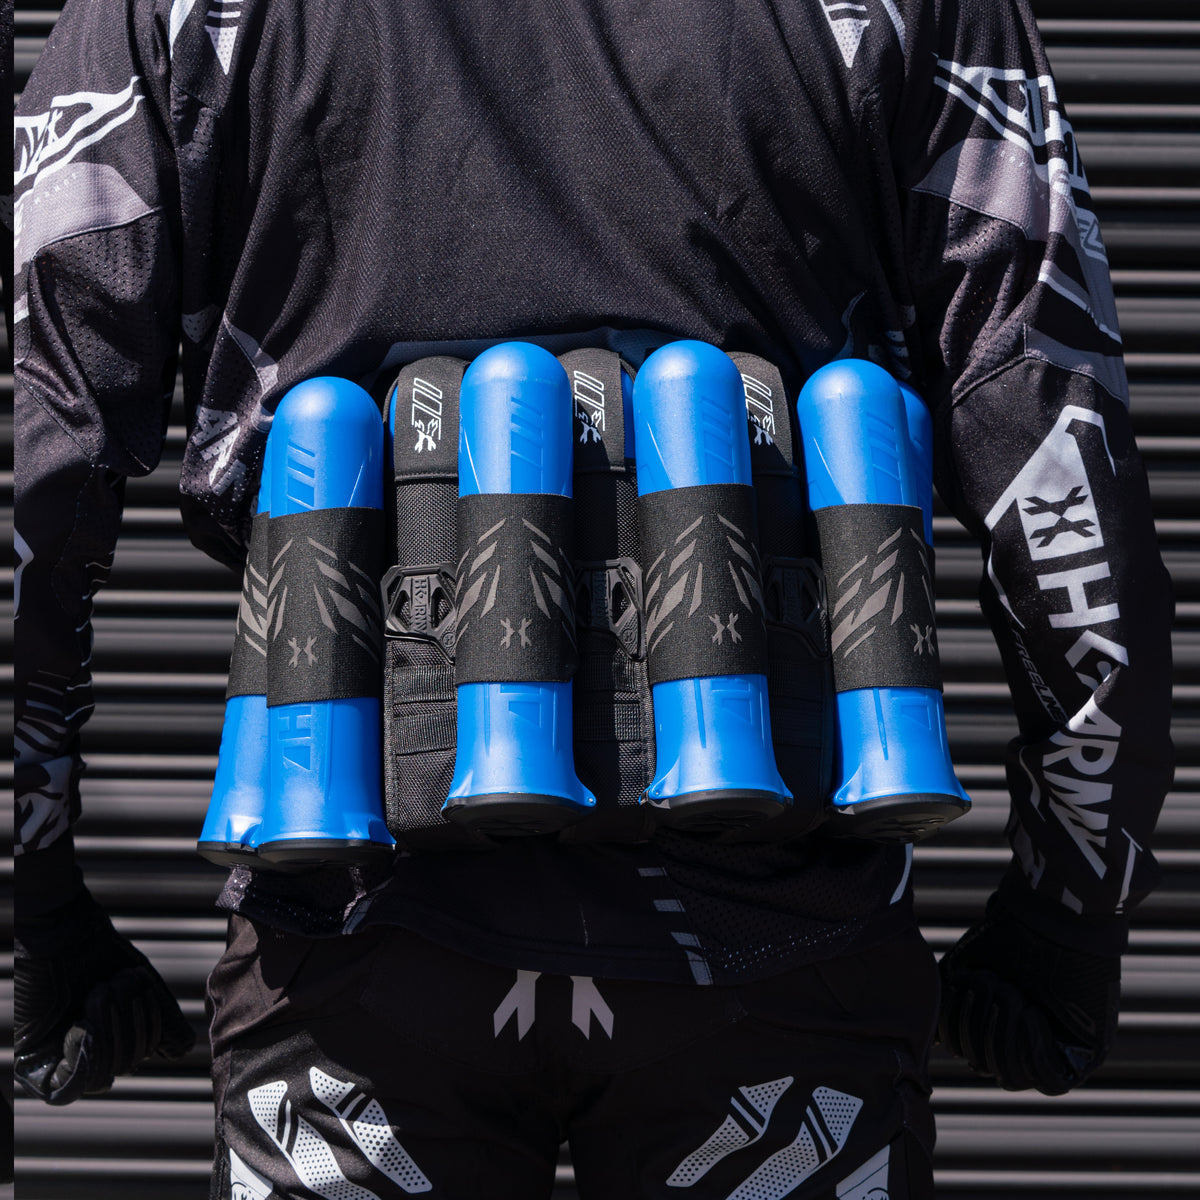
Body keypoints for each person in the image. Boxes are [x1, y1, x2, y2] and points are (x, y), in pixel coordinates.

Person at [13, 1, 1175, 1196]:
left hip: (354, 896)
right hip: (771, 912)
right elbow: (1061, 467)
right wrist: (1070, 908)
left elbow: (44, 485)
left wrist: (39, 900)